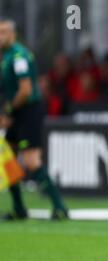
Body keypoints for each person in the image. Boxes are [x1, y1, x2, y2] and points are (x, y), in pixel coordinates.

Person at [0, 17, 68, 220]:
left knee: (31, 161)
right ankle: (19, 208)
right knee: (8, 159)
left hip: (28, 111)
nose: (0, 36)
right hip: (16, 111)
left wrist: (8, 111)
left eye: (3, 32)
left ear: (13, 34)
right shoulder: (5, 57)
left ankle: (60, 207)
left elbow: (25, 90)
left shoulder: (19, 56)